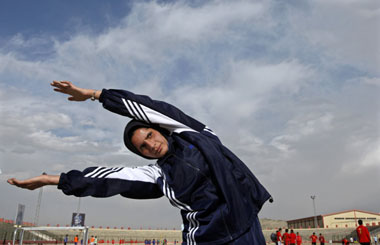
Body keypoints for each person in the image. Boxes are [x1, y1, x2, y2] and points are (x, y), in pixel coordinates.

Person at [7, 81, 272, 245]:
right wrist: (52, 180)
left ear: (158, 128)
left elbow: (148, 106)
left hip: (247, 225)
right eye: (142, 147)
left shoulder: (193, 133)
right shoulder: (157, 174)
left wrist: (94, 94)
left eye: (149, 135)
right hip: (207, 239)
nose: (150, 144)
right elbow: (104, 178)